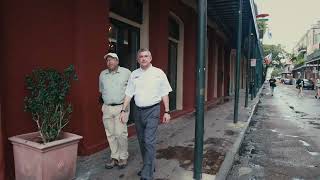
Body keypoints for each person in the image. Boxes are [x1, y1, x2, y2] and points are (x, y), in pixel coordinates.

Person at [120, 48, 172, 180]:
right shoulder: (134, 74)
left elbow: (165, 92)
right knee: (142, 141)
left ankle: (147, 175)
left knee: (149, 141)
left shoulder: (158, 73)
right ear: (138, 60)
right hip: (138, 111)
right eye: (141, 56)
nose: (143, 58)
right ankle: (148, 166)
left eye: (146, 56)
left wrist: (166, 111)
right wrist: (123, 110)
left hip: (153, 110)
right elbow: (129, 93)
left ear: (151, 58)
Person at [99, 53, 131, 169]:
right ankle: (115, 157)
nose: (109, 62)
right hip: (107, 107)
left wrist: (125, 108)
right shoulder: (102, 74)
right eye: (107, 60)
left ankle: (123, 157)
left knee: (120, 134)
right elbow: (101, 90)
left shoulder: (126, 72)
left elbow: (131, 90)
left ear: (117, 61)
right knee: (110, 134)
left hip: (121, 107)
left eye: (112, 60)